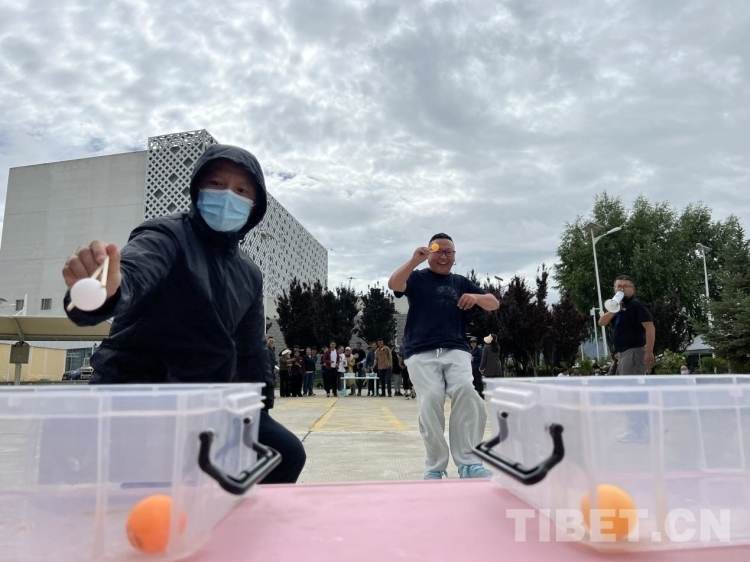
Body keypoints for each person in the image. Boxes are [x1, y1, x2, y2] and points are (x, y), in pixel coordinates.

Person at [61, 144, 305, 484]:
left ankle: (236, 516)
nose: (228, 196)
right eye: (216, 184)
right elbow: (134, 271)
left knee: (285, 453)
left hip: (205, 399)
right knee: (158, 493)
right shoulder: (165, 234)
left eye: (241, 190)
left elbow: (250, 348)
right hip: (142, 394)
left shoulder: (249, 272)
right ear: (197, 189)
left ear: (255, 206)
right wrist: (105, 292)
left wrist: (258, 408)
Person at [388, 233, 499, 480]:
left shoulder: (460, 282)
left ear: (454, 256)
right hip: (420, 350)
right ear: (429, 253)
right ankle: (435, 467)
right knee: (430, 399)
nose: (444, 256)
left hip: (455, 348)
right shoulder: (417, 278)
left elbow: (493, 303)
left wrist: (476, 297)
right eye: (438, 251)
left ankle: (469, 463)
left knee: (467, 392)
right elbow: (394, 284)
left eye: (449, 252)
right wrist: (413, 261)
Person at [598, 275, 655, 442]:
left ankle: (637, 431)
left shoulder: (636, 305)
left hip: (634, 351)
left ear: (633, 289)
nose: (621, 289)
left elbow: (650, 327)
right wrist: (614, 307)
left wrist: (649, 351)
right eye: (618, 286)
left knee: (631, 392)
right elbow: (601, 322)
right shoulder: (617, 307)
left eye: (625, 286)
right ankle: (646, 427)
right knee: (629, 392)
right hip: (624, 353)